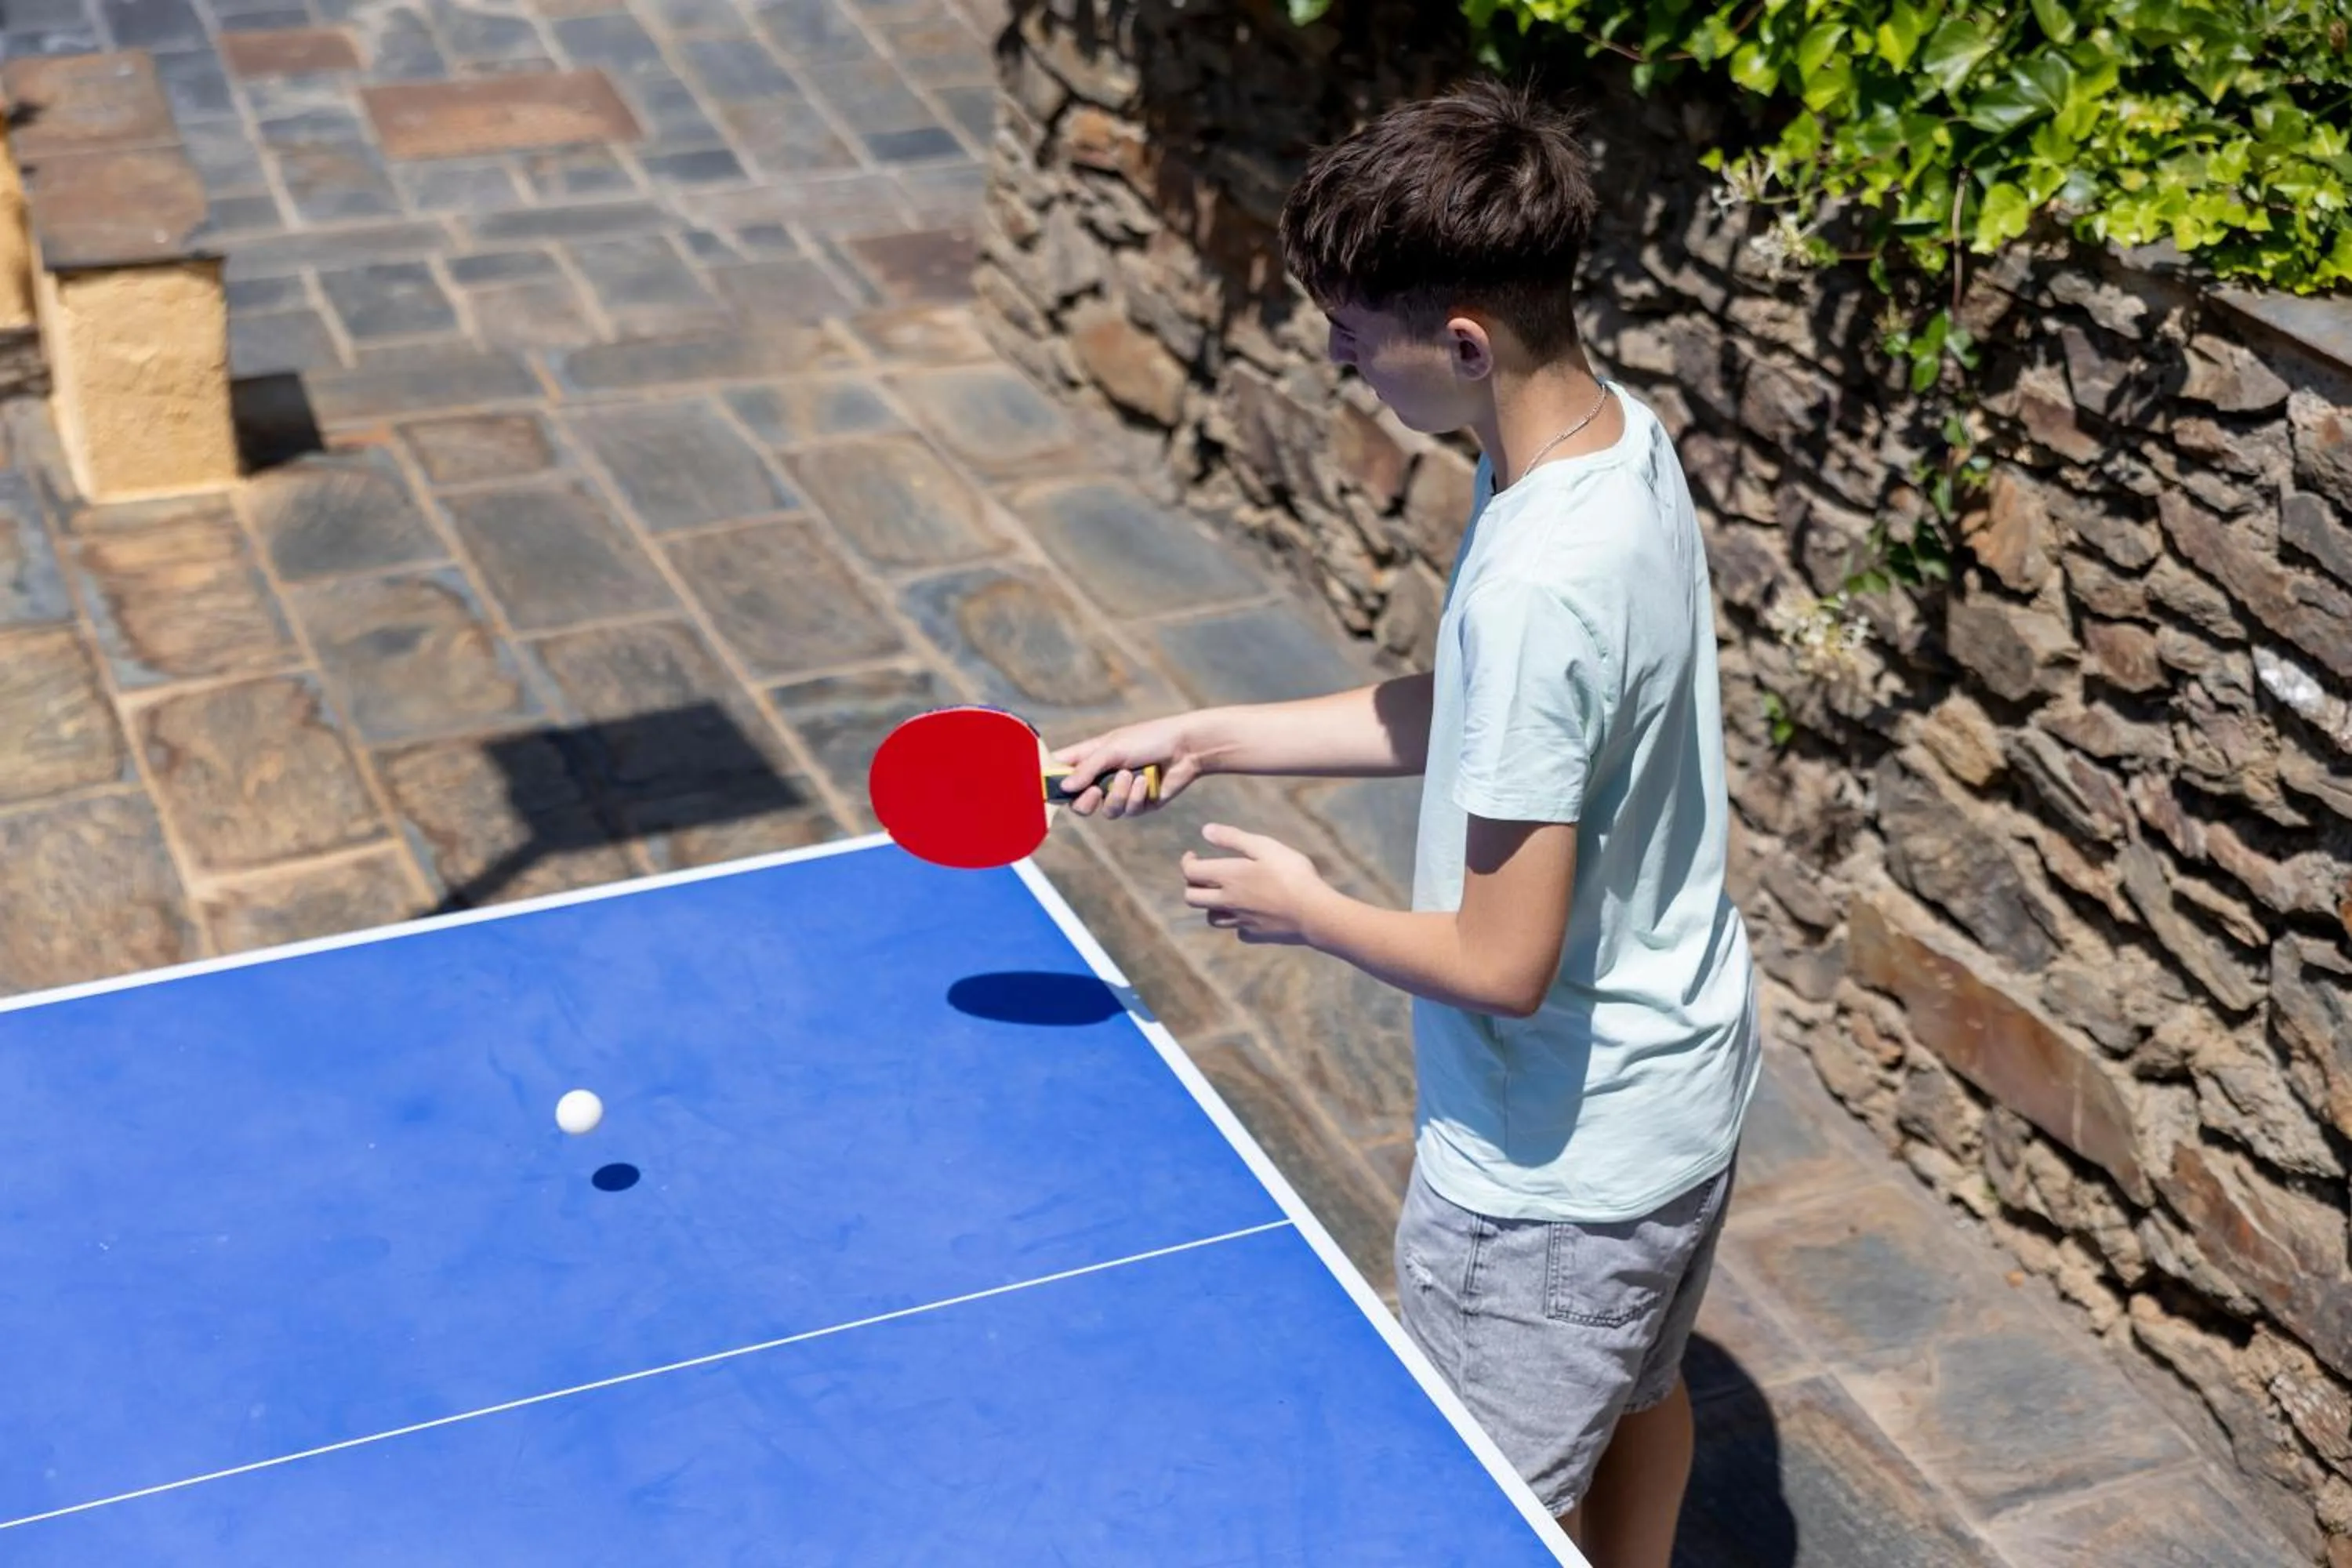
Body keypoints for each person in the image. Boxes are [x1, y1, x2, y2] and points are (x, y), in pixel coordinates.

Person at [1051, 78, 1761, 1566]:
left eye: (1354, 336)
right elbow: (1487, 722)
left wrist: (1306, 909)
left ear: (1461, 341)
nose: (1334, 359)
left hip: (1549, 1172)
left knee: (1475, 1516)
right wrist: (1210, 735)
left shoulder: (1535, 585)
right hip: (1679, 1085)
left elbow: (1504, 963)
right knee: (1642, 1394)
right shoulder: (1605, 440)